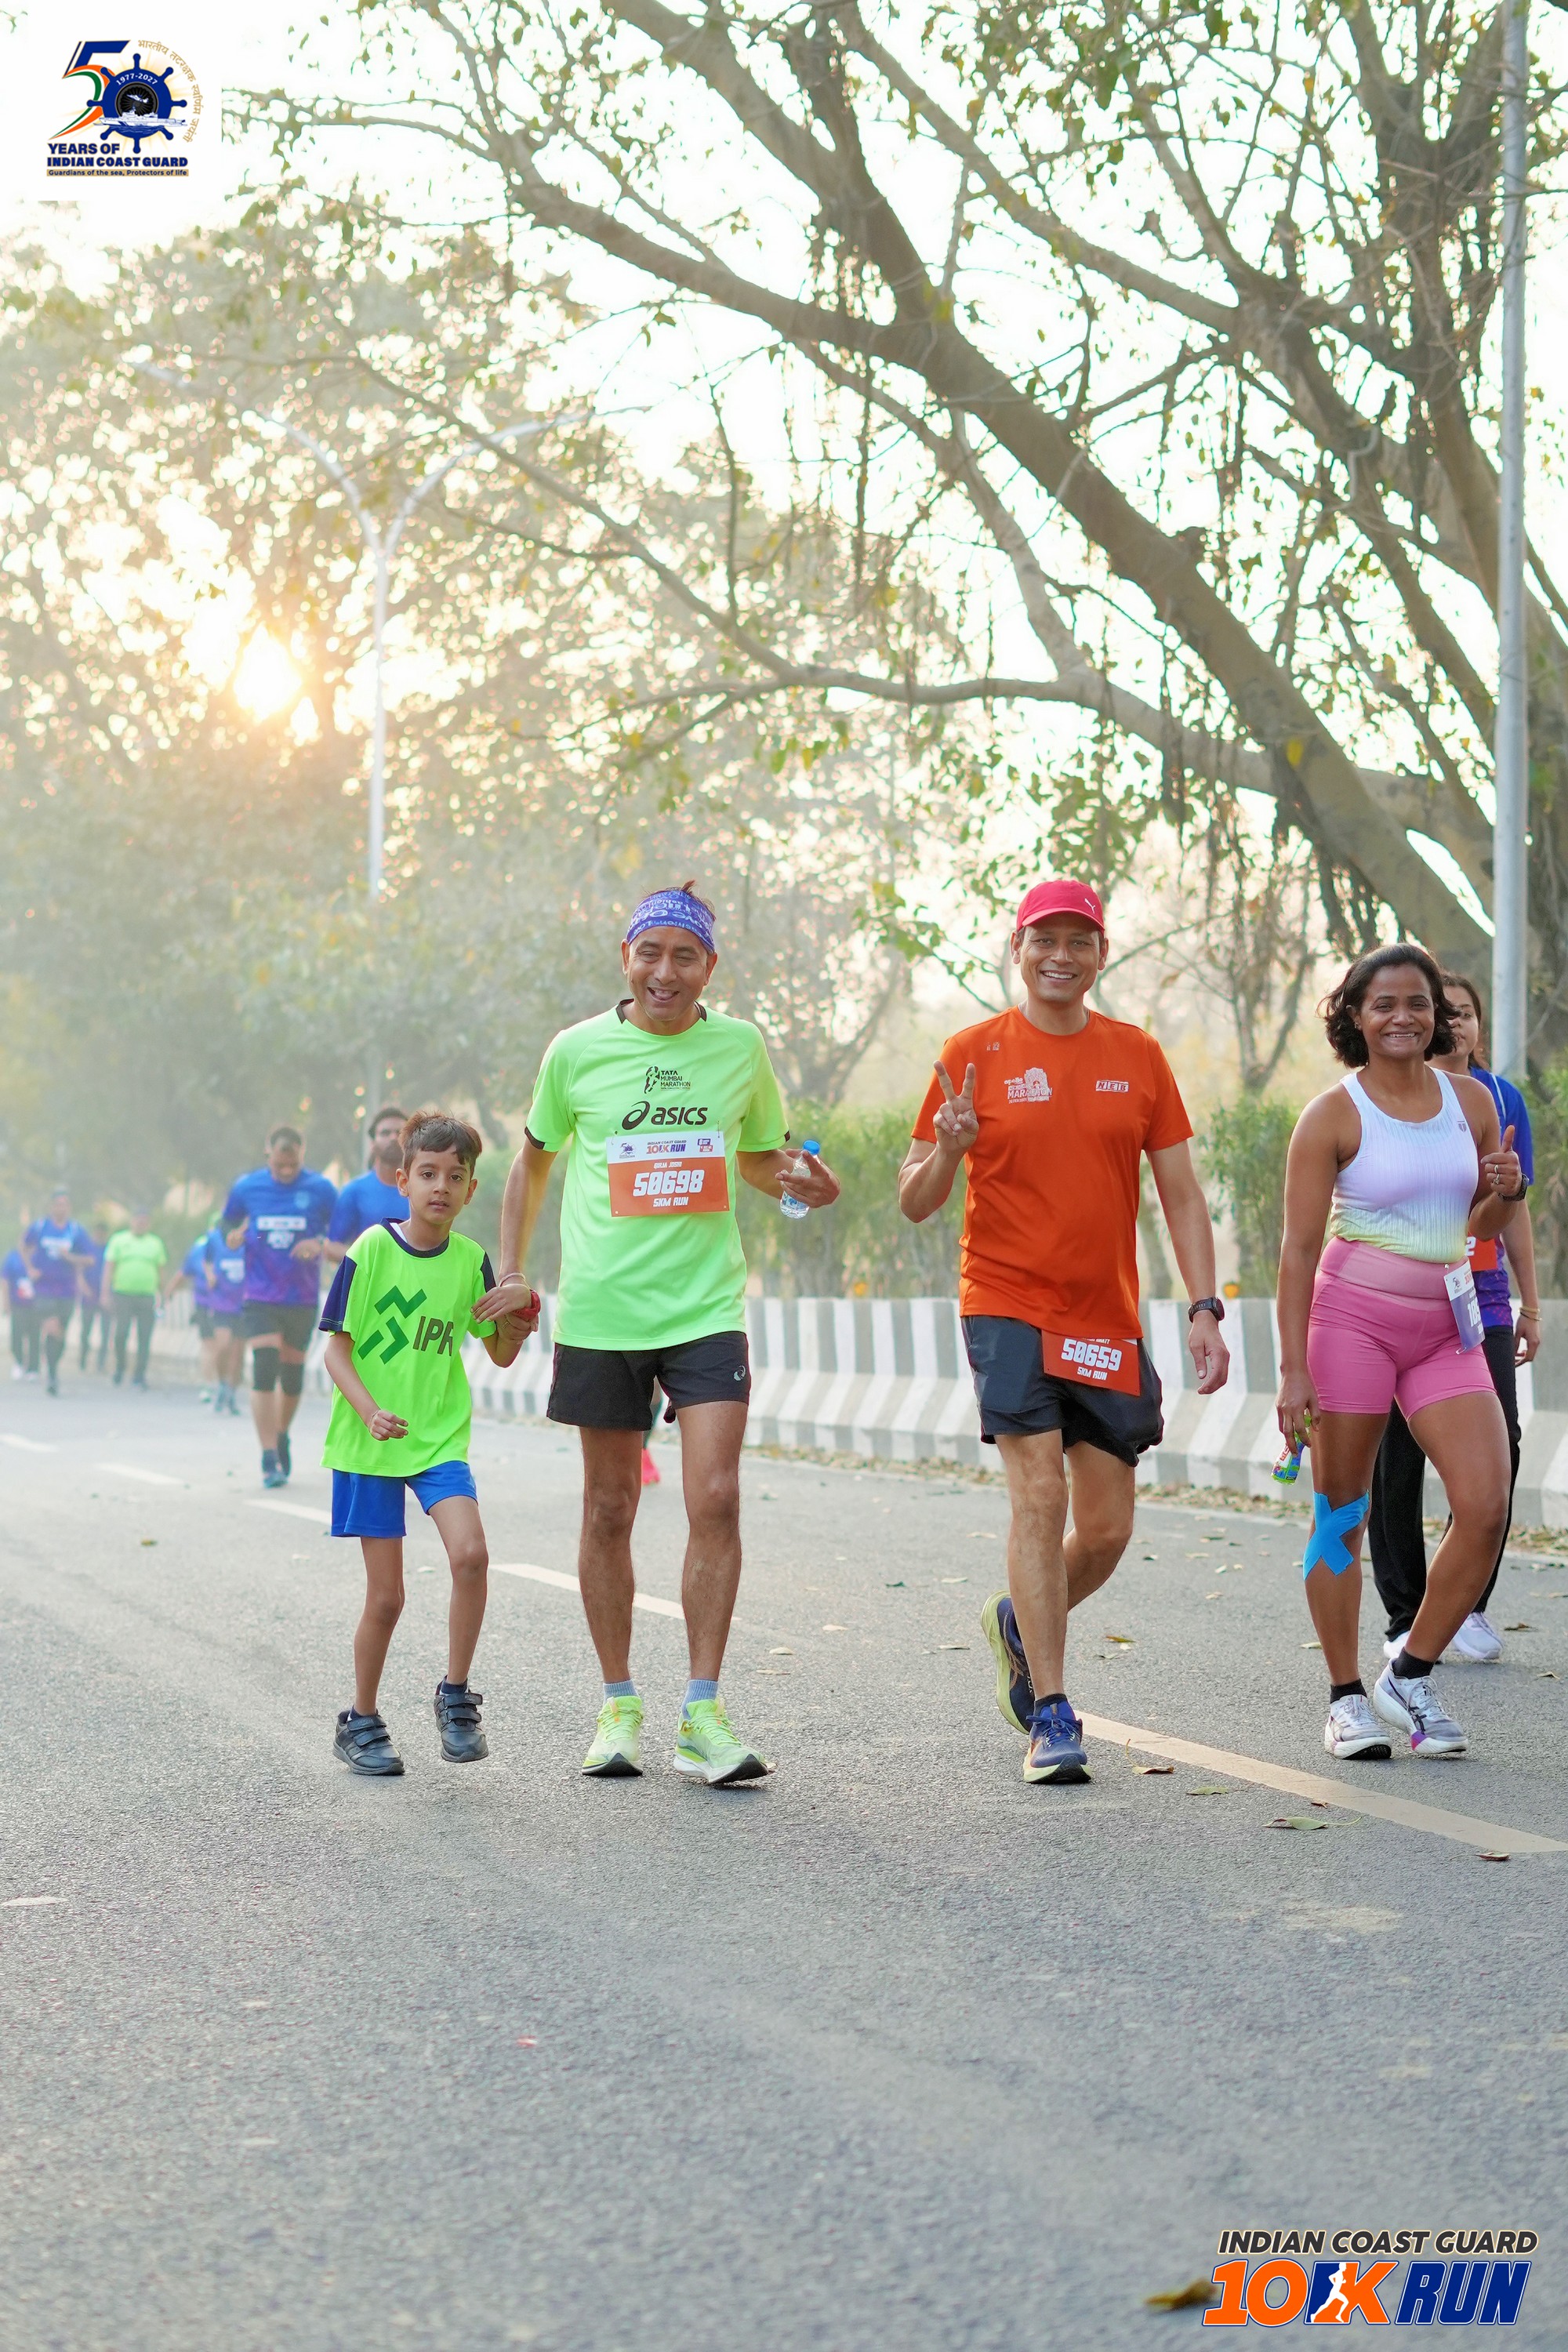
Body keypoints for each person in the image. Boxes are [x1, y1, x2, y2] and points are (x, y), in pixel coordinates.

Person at [477, 882, 840, 1786]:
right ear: (625, 959)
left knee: (715, 1497)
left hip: (704, 1308)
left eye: (684, 957)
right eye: (650, 954)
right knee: (609, 1508)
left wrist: (803, 1186)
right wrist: (510, 1270)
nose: (664, 972)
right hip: (602, 1311)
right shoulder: (575, 1052)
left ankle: (702, 1714)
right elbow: (532, 1160)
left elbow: (758, 1159)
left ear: (708, 967)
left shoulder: (740, 1048)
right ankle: (617, 1705)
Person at [898, 877, 1229, 1786]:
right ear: (1017, 948)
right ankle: (1050, 1712)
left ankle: (1017, 1619)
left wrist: (1203, 1305)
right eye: (1042, 938)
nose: (1059, 955)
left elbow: (1180, 1195)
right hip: (1004, 1302)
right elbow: (914, 1201)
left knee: (1108, 1528)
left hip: (1103, 1319)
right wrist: (949, 1148)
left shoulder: (1137, 1055)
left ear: (1100, 954)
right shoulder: (970, 1054)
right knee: (1038, 1496)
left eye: (1078, 940)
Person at [1276, 945, 1523, 1763]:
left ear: (1437, 1015)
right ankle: (1345, 1697)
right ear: (1354, 1015)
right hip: (1351, 1321)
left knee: (1484, 1505)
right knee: (1341, 1513)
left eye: (1417, 1003)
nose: (1401, 1018)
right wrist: (1293, 1371)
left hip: (1443, 1325)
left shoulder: (1471, 1102)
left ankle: (1408, 1673)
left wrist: (1507, 1190)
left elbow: (1480, 1225)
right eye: (1382, 1004)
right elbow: (1296, 1253)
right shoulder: (1331, 1115)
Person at [321, 1112, 537, 1777]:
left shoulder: (471, 1261)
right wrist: (370, 1412)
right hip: (370, 1444)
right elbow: (335, 1351)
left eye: (455, 1176)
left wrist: (521, 1320)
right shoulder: (371, 1250)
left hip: (438, 1440)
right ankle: (360, 1720)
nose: (440, 1186)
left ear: (471, 1190)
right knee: (387, 1599)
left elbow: (500, 1354)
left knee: (471, 1556)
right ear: (403, 1181)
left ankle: (456, 1697)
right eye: (428, 1174)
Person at [1367, 970, 1539, 1668]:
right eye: (1448, 1012)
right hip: (1401, 1300)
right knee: (1398, 1458)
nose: (1457, 1023)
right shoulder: (1384, 1097)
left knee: (1504, 1443)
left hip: (1481, 1300)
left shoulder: (1498, 1099)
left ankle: (1465, 1600)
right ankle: (1405, 1613)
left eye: (1466, 1013)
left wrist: (1531, 1302)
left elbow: (1513, 1204)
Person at [223, 1126, 337, 1488]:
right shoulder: (247, 1187)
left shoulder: (321, 1189)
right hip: (260, 1294)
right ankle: (268, 1455)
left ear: (302, 1154)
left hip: (301, 1297)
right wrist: (232, 1236)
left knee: (291, 1376)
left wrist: (319, 1244)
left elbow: (339, 1233)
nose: (286, 1170)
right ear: (267, 1154)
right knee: (264, 1367)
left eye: (293, 1164)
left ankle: (281, 1432)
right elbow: (227, 1223)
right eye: (280, 1163)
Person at [24, 1188, 95, 1396]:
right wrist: (30, 1268)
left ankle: (53, 1365)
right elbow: (24, 1246)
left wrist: (70, 1257)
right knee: (52, 1327)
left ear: (69, 1208)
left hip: (67, 1289)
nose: (60, 1208)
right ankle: (52, 1375)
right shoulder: (40, 1227)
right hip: (44, 1287)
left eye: (64, 1205)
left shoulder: (76, 1231)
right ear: (51, 1207)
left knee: (61, 1333)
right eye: (57, 1204)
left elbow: (90, 1259)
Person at [324, 1103, 408, 1262]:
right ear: (372, 1143)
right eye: (385, 1133)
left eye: (399, 1133)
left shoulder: (423, 1191)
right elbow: (332, 1247)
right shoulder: (354, 1191)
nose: (393, 1138)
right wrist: (370, 1262)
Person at [100, 1210, 169, 1388]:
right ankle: (120, 1367)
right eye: (138, 1220)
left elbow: (161, 1270)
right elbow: (109, 1267)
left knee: (144, 1336)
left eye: (144, 1221)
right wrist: (105, 1293)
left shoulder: (155, 1243)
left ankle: (140, 1374)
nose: (140, 1224)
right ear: (132, 1221)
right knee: (121, 1333)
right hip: (123, 1295)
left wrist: (163, 1295)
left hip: (146, 1296)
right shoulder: (119, 1240)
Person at [201, 1223, 248, 1414]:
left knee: (239, 1354)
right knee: (223, 1346)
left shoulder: (250, 1242)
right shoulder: (214, 1240)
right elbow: (205, 1260)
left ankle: (231, 1393)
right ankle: (222, 1382)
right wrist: (210, 1275)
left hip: (245, 1306)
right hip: (222, 1304)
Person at [171, 1231, 222, 1400]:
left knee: (212, 1345)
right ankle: (214, 1384)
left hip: (212, 1304)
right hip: (210, 1304)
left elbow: (183, 1274)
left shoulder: (201, 1246)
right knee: (212, 1344)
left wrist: (169, 1292)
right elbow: (184, 1273)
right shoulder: (203, 1248)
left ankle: (213, 1384)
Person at [4, 1221, 39, 1381]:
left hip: (36, 1305)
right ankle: (19, 1363)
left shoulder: (39, 1257)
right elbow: (5, 1281)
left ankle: (33, 1367)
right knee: (17, 1335)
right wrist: (6, 1303)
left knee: (34, 1336)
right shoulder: (12, 1257)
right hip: (18, 1304)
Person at [77, 1221, 110, 1373]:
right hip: (89, 1296)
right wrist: (84, 1288)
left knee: (105, 1332)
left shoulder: (109, 1250)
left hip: (105, 1297)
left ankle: (101, 1363)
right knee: (86, 1331)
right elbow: (79, 1271)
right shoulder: (87, 1250)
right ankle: (83, 1359)